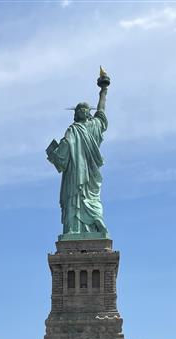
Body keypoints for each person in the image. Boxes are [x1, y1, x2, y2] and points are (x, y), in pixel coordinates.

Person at [46, 70, 110, 237]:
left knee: (77, 199)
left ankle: (77, 229)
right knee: (89, 200)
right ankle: (90, 226)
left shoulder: (74, 130)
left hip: (77, 175)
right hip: (82, 174)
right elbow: (101, 111)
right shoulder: (92, 126)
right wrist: (103, 90)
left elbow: (61, 156)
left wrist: (53, 153)